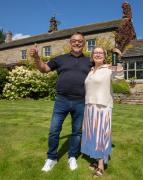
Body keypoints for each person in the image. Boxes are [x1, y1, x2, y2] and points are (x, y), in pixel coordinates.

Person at [29, 32, 92, 172]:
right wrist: (37, 58)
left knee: (77, 133)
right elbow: (44, 69)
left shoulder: (89, 61)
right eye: (74, 41)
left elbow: (102, 71)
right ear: (70, 43)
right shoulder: (60, 59)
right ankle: (51, 158)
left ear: (84, 43)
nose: (77, 43)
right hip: (61, 100)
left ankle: (72, 157)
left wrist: (116, 58)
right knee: (54, 130)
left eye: (80, 41)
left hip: (80, 101)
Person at [81, 47, 123, 177]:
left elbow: (119, 78)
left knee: (101, 135)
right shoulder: (90, 71)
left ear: (105, 56)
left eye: (100, 53)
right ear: (92, 56)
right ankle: (95, 158)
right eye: (95, 52)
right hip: (89, 106)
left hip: (103, 106)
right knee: (92, 134)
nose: (98, 54)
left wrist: (119, 59)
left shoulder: (109, 68)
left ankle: (100, 165)